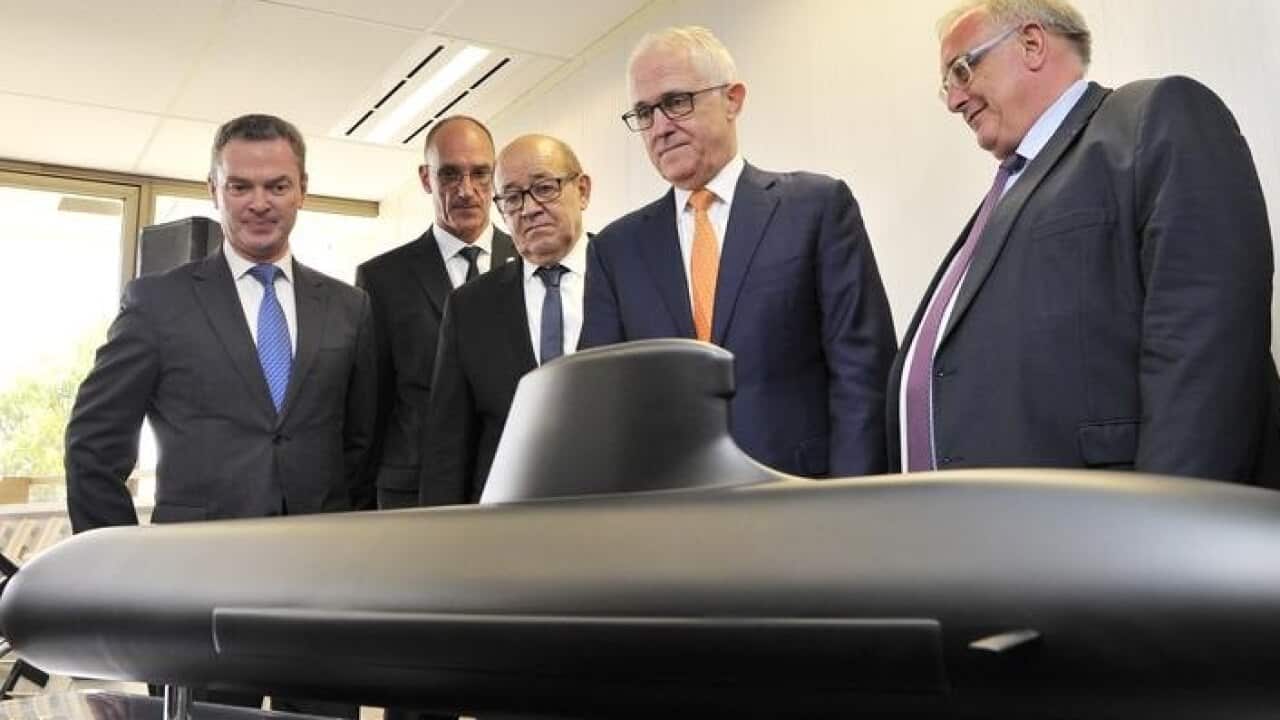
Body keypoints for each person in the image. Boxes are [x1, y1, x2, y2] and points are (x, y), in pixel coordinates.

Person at [889, 0, 1280, 482]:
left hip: (1118, 533)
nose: (953, 100)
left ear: (1032, 44)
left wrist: (1168, 530)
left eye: (962, 70)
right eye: (946, 85)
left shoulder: (1153, 118)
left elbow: (1205, 346)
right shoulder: (1013, 187)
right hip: (1003, 535)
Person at [64, 113, 375, 715]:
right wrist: (123, 568)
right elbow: (93, 445)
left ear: (302, 190)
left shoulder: (350, 308)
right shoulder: (158, 303)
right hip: (194, 591)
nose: (259, 202)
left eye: (277, 185)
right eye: (240, 186)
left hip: (324, 592)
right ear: (214, 190)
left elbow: (361, 445)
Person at [580, 25, 897, 478]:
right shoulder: (616, 250)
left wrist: (850, 504)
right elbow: (603, 403)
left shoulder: (816, 208)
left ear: (733, 99)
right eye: (644, 112)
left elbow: (862, 375)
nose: (660, 127)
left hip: (801, 500)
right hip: (672, 513)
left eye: (676, 102)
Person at [355, 116, 516, 509]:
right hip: (414, 492)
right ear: (427, 178)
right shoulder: (382, 279)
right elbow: (369, 408)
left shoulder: (530, 264)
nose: (466, 191)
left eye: (480, 174)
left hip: (508, 483)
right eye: (450, 175)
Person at [421, 134, 591, 505]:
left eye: (544, 188)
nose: (528, 209)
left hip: (619, 521)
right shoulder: (470, 307)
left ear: (582, 190)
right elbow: (448, 447)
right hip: (507, 527)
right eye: (512, 198)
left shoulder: (627, 275)